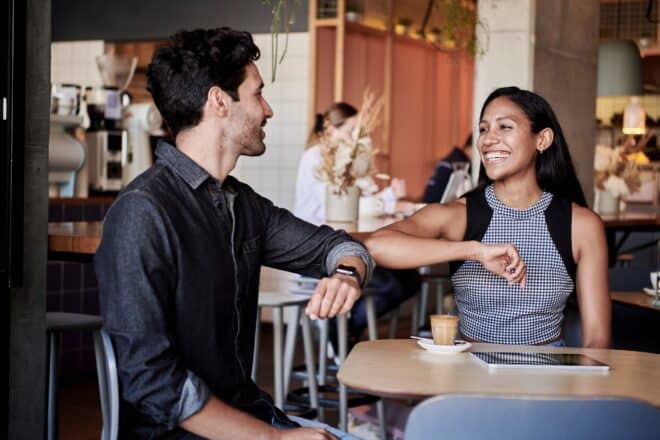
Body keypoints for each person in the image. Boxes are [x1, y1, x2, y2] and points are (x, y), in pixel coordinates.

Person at [94, 28, 375, 440]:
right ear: (220, 101)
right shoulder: (143, 212)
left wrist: (347, 275)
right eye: (258, 93)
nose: (268, 110)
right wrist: (275, 439)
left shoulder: (241, 204)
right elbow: (152, 382)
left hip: (255, 415)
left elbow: (339, 246)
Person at [365, 86, 611, 348]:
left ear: (543, 139)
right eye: (483, 129)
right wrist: (474, 251)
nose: (488, 139)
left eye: (504, 127)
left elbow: (597, 339)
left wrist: (579, 385)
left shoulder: (581, 226)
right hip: (470, 372)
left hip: (546, 375)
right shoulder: (458, 215)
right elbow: (377, 245)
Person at [294, 102, 420, 345]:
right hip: (318, 248)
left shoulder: (343, 160)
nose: (354, 137)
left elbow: (357, 201)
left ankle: (345, 331)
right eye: (350, 130)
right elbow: (340, 202)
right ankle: (340, 335)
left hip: (344, 243)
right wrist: (390, 202)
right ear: (330, 128)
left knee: (410, 279)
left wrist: (390, 196)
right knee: (392, 284)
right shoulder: (315, 158)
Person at [423, 134, 474, 203]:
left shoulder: (452, 158)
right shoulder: (460, 163)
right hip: (438, 206)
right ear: (471, 147)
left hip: (430, 204)